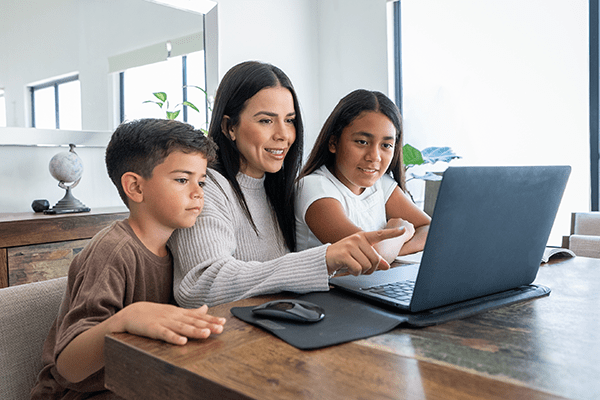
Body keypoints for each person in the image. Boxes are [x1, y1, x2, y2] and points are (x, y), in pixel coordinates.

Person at [169, 61, 404, 308]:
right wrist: (321, 260)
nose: (283, 134)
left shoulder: (277, 189)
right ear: (230, 128)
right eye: (266, 121)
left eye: (290, 120)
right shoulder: (206, 187)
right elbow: (201, 285)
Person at [31, 119, 226, 400]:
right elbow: (69, 367)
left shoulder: (179, 246)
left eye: (202, 181)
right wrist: (126, 318)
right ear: (135, 187)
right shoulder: (113, 251)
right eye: (183, 180)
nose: (198, 192)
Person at [295, 89, 431, 263]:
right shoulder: (313, 187)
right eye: (362, 142)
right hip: (328, 290)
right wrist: (402, 231)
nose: (374, 156)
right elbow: (368, 256)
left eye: (386, 145)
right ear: (333, 142)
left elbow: (430, 230)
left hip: (366, 285)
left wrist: (391, 249)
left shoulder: (380, 183)